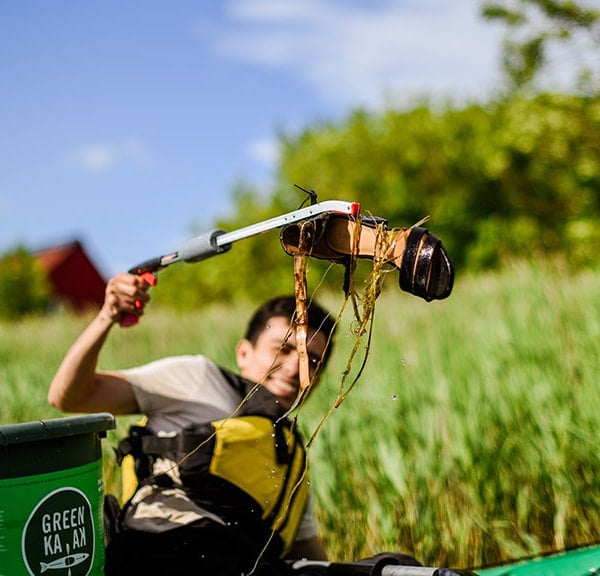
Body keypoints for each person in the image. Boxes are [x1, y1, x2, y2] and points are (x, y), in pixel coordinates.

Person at [48, 272, 337, 576]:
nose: (295, 368)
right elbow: (71, 397)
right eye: (283, 349)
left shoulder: (291, 458)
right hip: (160, 554)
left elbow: (310, 552)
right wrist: (107, 316)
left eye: (312, 362)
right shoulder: (196, 377)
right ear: (244, 352)